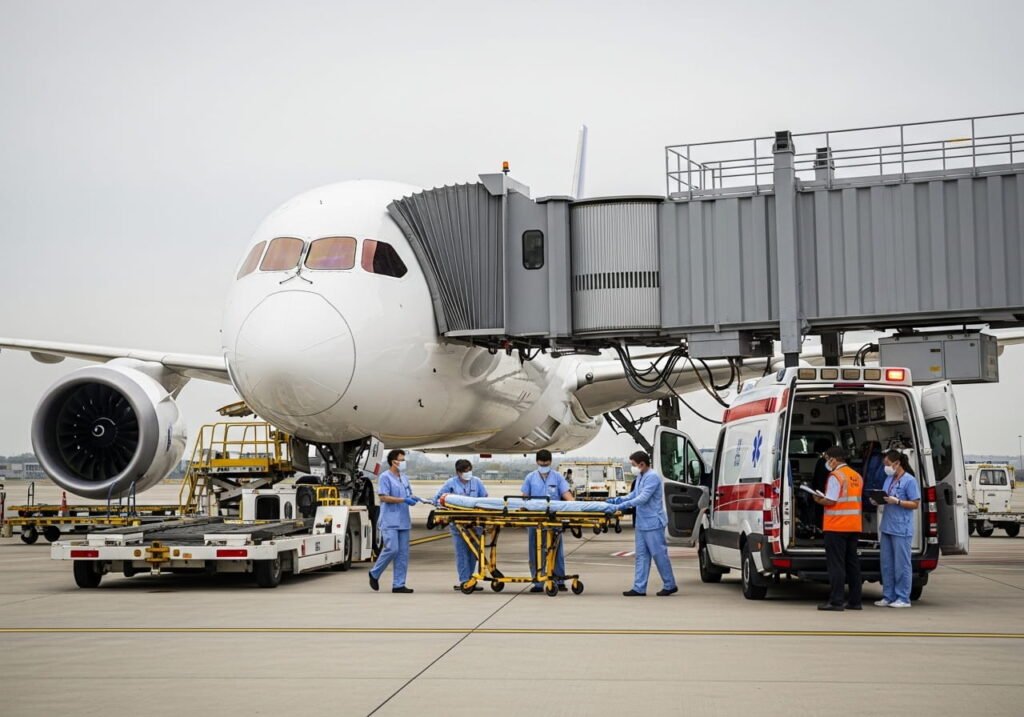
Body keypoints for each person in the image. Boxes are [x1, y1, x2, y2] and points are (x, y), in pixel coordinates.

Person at [606, 451, 678, 597]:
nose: (632, 467)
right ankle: (639, 587)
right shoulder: (641, 476)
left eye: (633, 464)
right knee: (641, 556)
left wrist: (621, 506)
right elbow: (634, 494)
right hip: (642, 523)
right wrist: (617, 500)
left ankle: (670, 584)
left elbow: (643, 498)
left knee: (659, 555)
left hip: (653, 523)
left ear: (642, 464)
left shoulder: (652, 477)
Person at [812, 446, 864, 611]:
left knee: (836, 565)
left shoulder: (836, 476)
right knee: (852, 564)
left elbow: (831, 500)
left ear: (833, 459)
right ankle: (855, 601)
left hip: (836, 525)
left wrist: (817, 498)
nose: (827, 462)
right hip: (853, 525)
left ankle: (836, 601)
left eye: (828, 459)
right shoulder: (856, 476)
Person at [871, 450, 920, 608]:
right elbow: (886, 497)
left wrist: (897, 501)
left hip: (901, 528)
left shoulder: (909, 480)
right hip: (887, 526)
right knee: (887, 564)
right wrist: (878, 500)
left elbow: (915, 504)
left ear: (897, 463)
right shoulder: (889, 479)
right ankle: (888, 595)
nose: (886, 467)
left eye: (887, 464)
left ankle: (903, 597)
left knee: (902, 564)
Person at [368, 449, 421, 594]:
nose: (404, 463)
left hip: (403, 519)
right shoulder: (385, 477)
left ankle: (399, 584)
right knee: (392, 548)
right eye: (402, 460)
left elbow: (408, 494)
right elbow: (383, 497)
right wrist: (403, 499)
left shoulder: (404, 478)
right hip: (390, 519)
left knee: (403, 554)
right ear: (394, 461)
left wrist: (416, 498)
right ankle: (374, 573)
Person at [521, 449, 572, 592]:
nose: (544, 464)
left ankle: (559, 579)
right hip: (535, 519)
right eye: (542, 462)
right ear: (537, 462)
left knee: (556, 549)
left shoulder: (557, 477)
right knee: (535, 550)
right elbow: (524, 497)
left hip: (553, 518)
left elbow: (566, 494)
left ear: (550, 461)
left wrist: (575, 506)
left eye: (546, 462)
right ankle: (538, 581)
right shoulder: (530, 477)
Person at [434, 459, 488, 591]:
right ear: (458, 472)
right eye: (465, 471)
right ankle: (465, 580)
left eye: (469, 470)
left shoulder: (477, 482)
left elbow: (485, 498)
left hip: (476, 523)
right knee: (461, 552)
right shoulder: (451, 483)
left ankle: (472, 579)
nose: (468, 473)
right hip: (458, 524)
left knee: (474, 552)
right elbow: (438, 499)